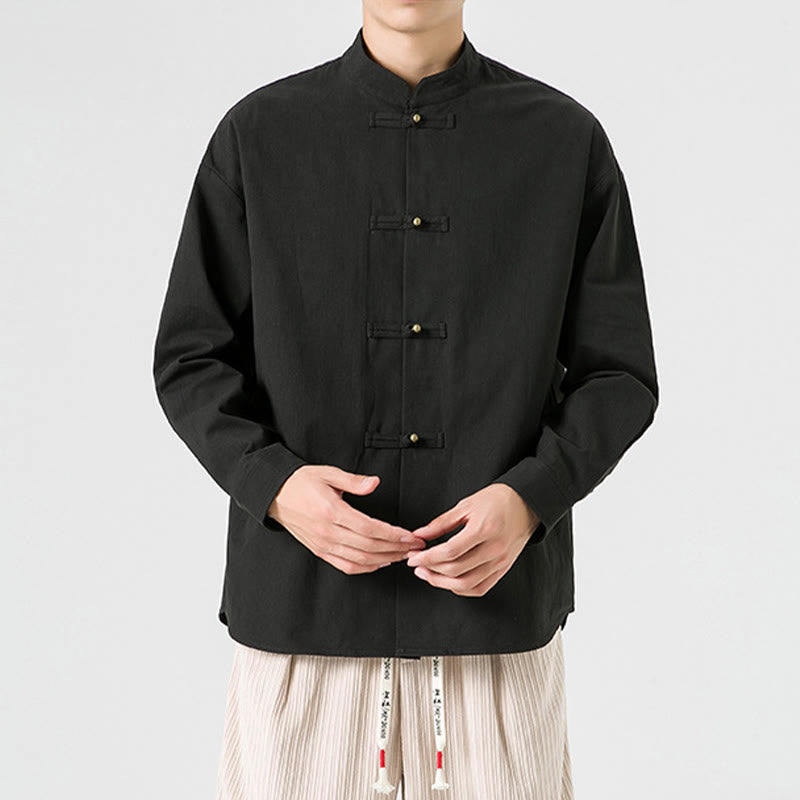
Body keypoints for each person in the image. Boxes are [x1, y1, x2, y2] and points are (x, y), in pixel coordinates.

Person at [152, 2, 659, 798]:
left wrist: (529, 501)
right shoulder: (259, 135)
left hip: (495, 627)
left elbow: (618, 372)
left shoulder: (563, 141)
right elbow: (190, 356)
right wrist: (277, 488)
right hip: (303, 620)